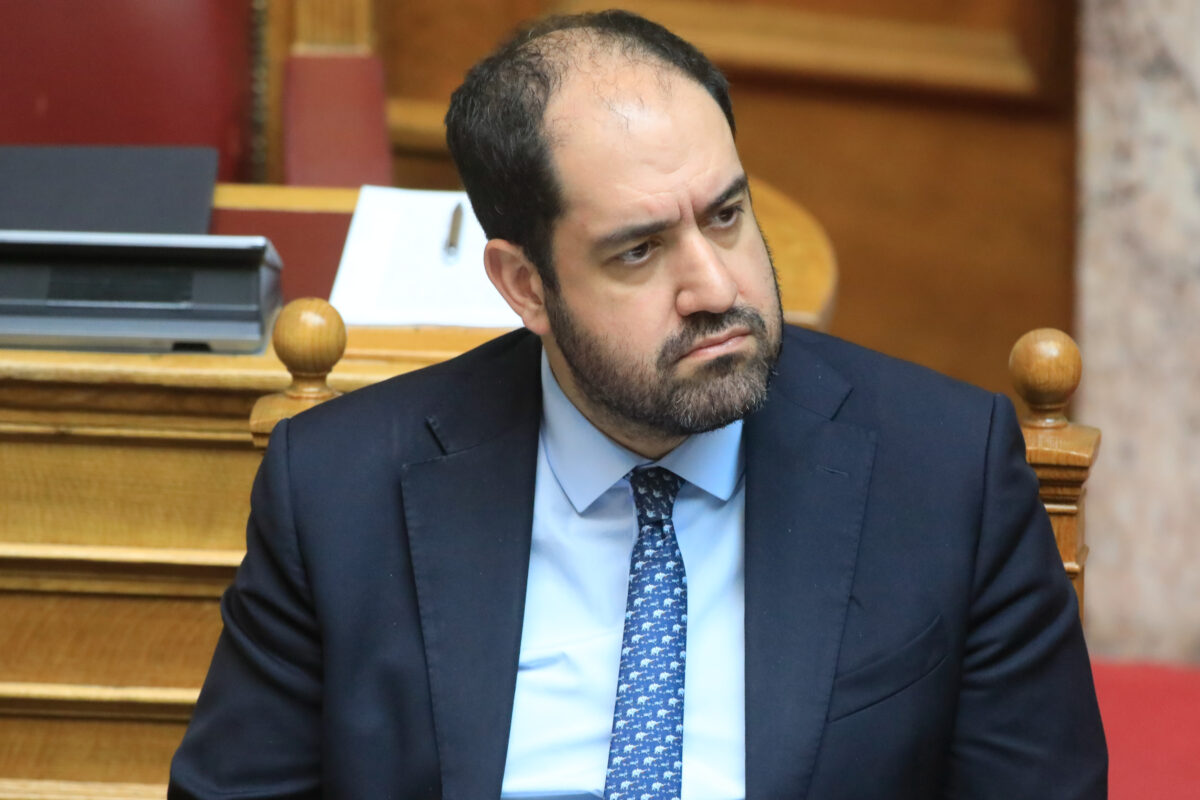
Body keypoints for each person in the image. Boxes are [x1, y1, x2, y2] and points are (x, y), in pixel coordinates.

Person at [169, 10, 1106, 800]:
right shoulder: (340, 492)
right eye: (639, 251)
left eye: (726, 216)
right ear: (526, 286)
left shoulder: (946, 472)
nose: (715, 287)